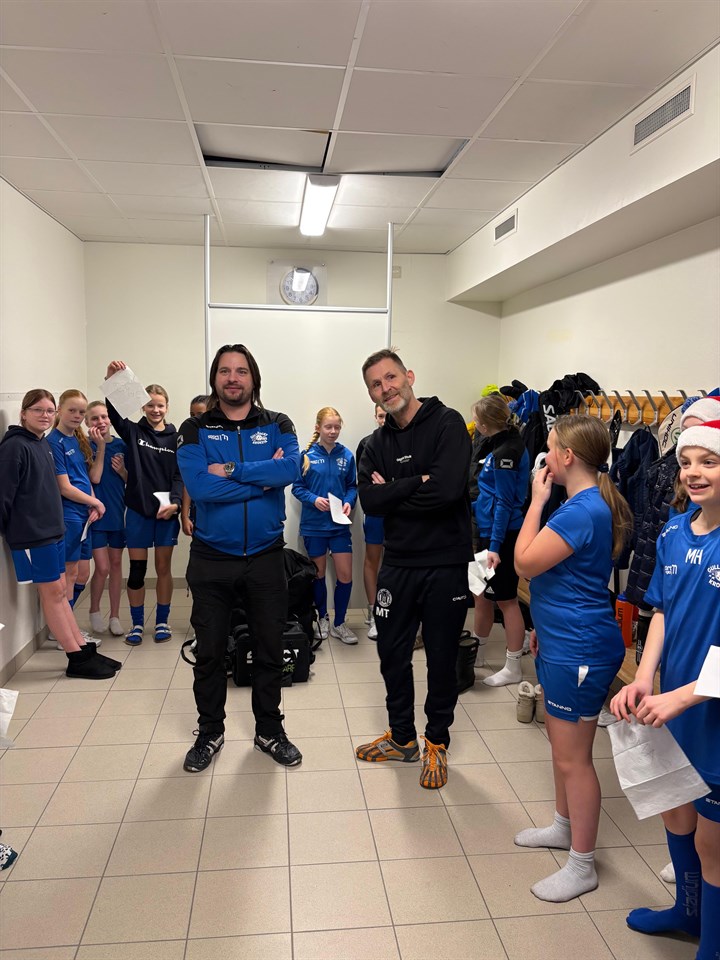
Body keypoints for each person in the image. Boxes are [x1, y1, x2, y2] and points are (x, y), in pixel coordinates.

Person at [610, 417, 720, 958]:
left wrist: (685, 695)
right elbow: (661, 612)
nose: (693, 472)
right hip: (671, 704)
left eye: (709, 461)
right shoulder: (674, 531)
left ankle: (712, 945)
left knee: (713, 842)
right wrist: (644, 675)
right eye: (686, 462)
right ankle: (687, 913)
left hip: (709, 712)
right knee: (676, 809)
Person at [513, 415, 632, 902]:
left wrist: (535, 501)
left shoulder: (580, 510)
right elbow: (564, 579)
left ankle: (582, 865)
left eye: (549, 446)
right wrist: (542, 627)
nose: (543, 455)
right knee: (561, 749)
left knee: (574, 759)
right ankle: (564, 827)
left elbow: (524, 562)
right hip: (564, 641)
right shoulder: (582, 504)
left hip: (579, 649)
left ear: (567, 456)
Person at [176, 343, 302, 771]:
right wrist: (265, 480)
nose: (233, 378)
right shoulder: (194, 428)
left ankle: (269, 730)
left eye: (241, 371)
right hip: (212, 558)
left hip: (266, 557)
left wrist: (231, 470)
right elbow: (201, 487)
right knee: (210, 653)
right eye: (225, 371)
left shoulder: (278, 423)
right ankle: (210, 732)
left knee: (270, 649)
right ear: (215, 379)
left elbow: (291, 470)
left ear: (253, 378)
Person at [355, 348, 472, 789]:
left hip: (444, 564)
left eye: (390, 377)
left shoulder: (447, 424)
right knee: (391, 654)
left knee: (440, 658)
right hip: (398, 564)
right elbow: (371, 502)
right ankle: (402, 738)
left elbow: (446, 491)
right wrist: (415, 483)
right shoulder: (374, 444)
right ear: (371, 394)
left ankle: (436, 742)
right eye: (376, 384)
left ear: (409, 376)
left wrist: (395, 491)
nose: (386, 388)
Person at [0, 390, 119, 679]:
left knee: (60, 592)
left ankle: (82, 649)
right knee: (54, 593)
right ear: (23, 413)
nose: (45, 415)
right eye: (38, 410)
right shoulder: (14, 446)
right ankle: (75, 658)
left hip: (53, 530)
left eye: (49, 410)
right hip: (32, 535)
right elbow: (4, 494)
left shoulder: (40, 443)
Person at [104, 363, 182, 645]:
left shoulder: (176, 438)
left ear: (167, 407)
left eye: (160, 405)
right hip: (138, 511)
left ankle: (162, 622)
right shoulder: (134, 432)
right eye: (150, 405)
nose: (155, 410)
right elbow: (114, 413)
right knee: (137, 571)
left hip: (166, 513)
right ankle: (137, 624)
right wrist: (112, 380)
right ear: (143, 407)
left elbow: (179, 476)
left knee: (163, 569)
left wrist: (176, 504)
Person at [471, 394, 530, 684]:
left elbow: (505, 503)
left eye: (476, 421)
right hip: (485, 533)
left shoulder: (508, 451)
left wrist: (495, 547)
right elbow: (488, 494)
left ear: (484, 425)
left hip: (501, 537)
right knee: (479, 594)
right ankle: (477, 654)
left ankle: (513, 666)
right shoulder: (496, 444)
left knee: (506, 600)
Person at [291, 407, 358, 645]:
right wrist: (314, 499)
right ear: (318, 427)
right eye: (328, 427)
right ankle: (322, 618)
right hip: (314, 526)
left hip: (339, 526)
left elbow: (352, 486)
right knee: (318, 575)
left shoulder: (346, 455)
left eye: (337, 427)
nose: (333, 431)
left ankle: (340, 623)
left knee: (345, 575)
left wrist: (349, 502)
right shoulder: (306, 455)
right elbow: (297, 488)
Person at [47, 389, 106, 642]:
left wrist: (91, 503)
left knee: (82, 574)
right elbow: (65, 487)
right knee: (69, 575)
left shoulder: (77, 439)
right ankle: (64, 634)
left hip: (84, 514)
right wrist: (96, 502)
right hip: (69, 514)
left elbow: (85, 478)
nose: (77, 415)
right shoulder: (54, 442)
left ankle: (66, 627)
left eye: (81, 412)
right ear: (59, 410)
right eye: (72, 410)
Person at [85, 401, 127, 636]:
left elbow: (130, 480)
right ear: (86, 422)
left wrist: (122, 471)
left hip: (117, 514)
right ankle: (94, 610)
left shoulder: (122, 445)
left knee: (116, 565)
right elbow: (96, 478)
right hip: (96, 515)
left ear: (110, 419)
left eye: (104, 417)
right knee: (102, 567)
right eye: (94, 418)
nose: (100, 422)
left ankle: (115, 616)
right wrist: (100, 447)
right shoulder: (85, 446)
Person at [356, 403, 386, 640]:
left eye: (388, 415)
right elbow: (365, 484)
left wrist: (390, 487)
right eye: (381, 416)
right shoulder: (367, 443)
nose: (384, 420)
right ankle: (374, 613)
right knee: (372, 560)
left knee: (400, 564)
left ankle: (394, 612)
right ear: (375, 417)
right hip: (376, 512)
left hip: (403, 513)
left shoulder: (409, 440)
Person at [180, 395, 209, 538]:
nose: (195, 418)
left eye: (200, 414)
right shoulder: (191, 442)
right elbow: (188, 482)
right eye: (192, 414)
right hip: (199, 510)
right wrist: (184, 515)